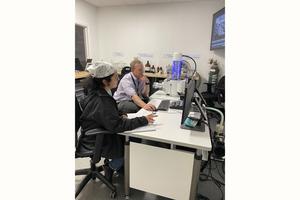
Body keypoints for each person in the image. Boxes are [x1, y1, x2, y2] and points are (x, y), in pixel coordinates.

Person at [79, 61, 156, 182]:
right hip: (97, 138)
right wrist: (143, 119)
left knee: (131, 136)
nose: (118, 79)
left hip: (93, 131)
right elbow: (117, 125)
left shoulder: (96, 93)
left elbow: (106, 114)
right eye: (115, 77)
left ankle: (119, 166)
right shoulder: (103, 100)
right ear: (105, 81)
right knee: (130, 142)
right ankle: (111, 166)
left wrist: (121, 114)